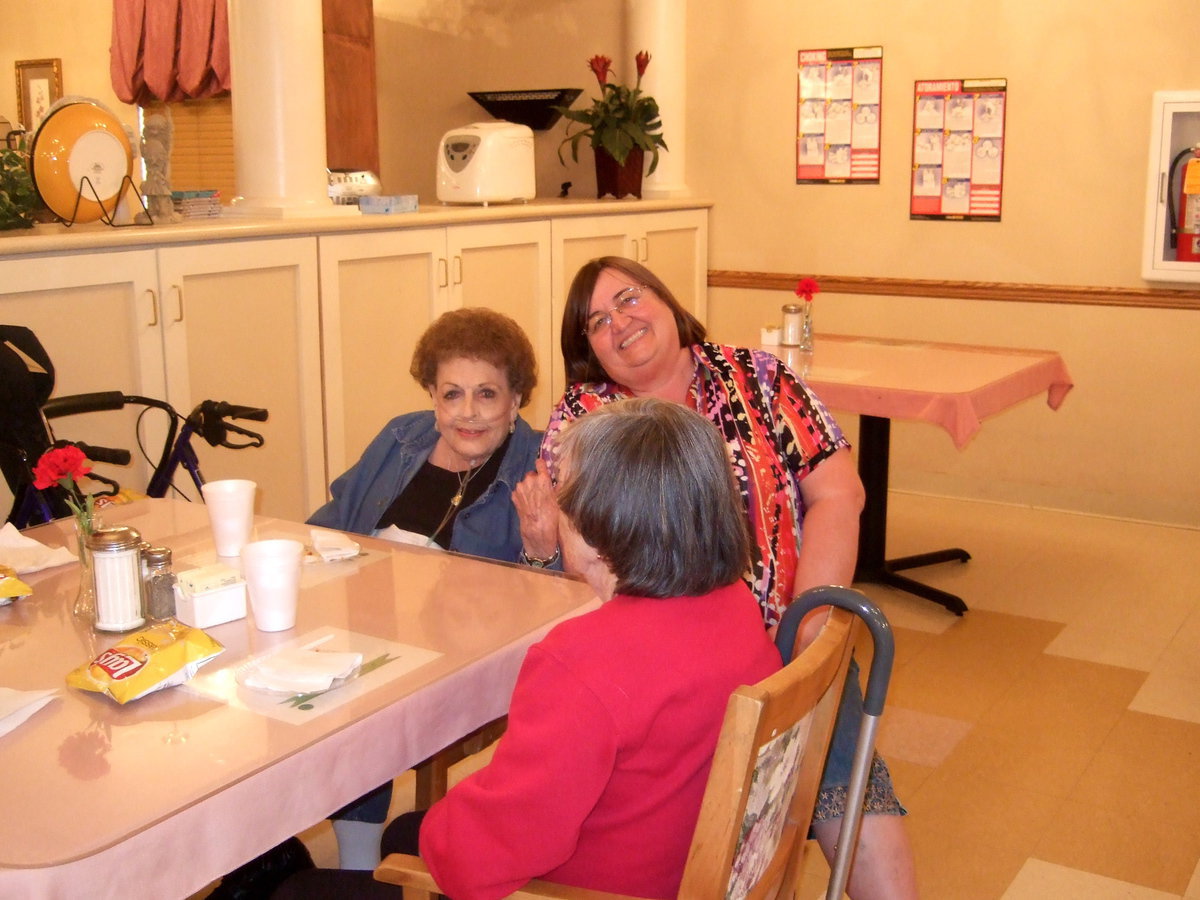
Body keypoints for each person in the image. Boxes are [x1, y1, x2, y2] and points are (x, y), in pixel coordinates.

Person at [511, 256, 918, 899]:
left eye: (630, 298)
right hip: (655, 666)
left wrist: (808, 625)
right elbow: (579, 557)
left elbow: (838, 494)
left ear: (667, 300)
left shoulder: (756, 377)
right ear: (585, 347)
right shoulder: (582, 418)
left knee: (845, 781)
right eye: (596, 321)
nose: (620, 322)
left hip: (785, 635)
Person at [273, 398, 782, 898]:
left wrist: (447, 826)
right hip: (670, 853)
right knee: (410, 831)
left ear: (600, 522)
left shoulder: (585, 659)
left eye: (563, 491)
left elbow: (480, 861)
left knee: (305, 887)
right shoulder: (734, 606)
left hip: (589, 886)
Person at [212, 308, 544, 895]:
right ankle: (332, 861)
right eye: (452, 394)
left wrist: (541, 551)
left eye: (486, 394)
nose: (466, 413)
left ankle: (353, 871)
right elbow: (332, 522)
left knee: (350, 702)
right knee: (261, 680)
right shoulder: (402, 438)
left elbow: (550, 595)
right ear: (432, 397)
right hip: (363, 626)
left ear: (516, 397)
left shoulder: (537, 467)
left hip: (460, 657)